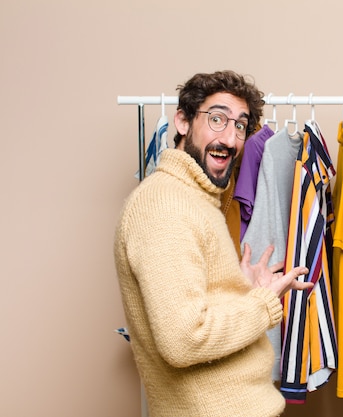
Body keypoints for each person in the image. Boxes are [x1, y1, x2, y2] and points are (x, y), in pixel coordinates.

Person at [113, 70, 313, 417]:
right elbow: (184, 339)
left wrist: (243, 289)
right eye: (217, 119)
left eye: (240, 126)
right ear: (183, 122)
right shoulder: (165, 203)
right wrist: (264, 305)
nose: (231, 138)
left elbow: (195, 308)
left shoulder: (196, 199)